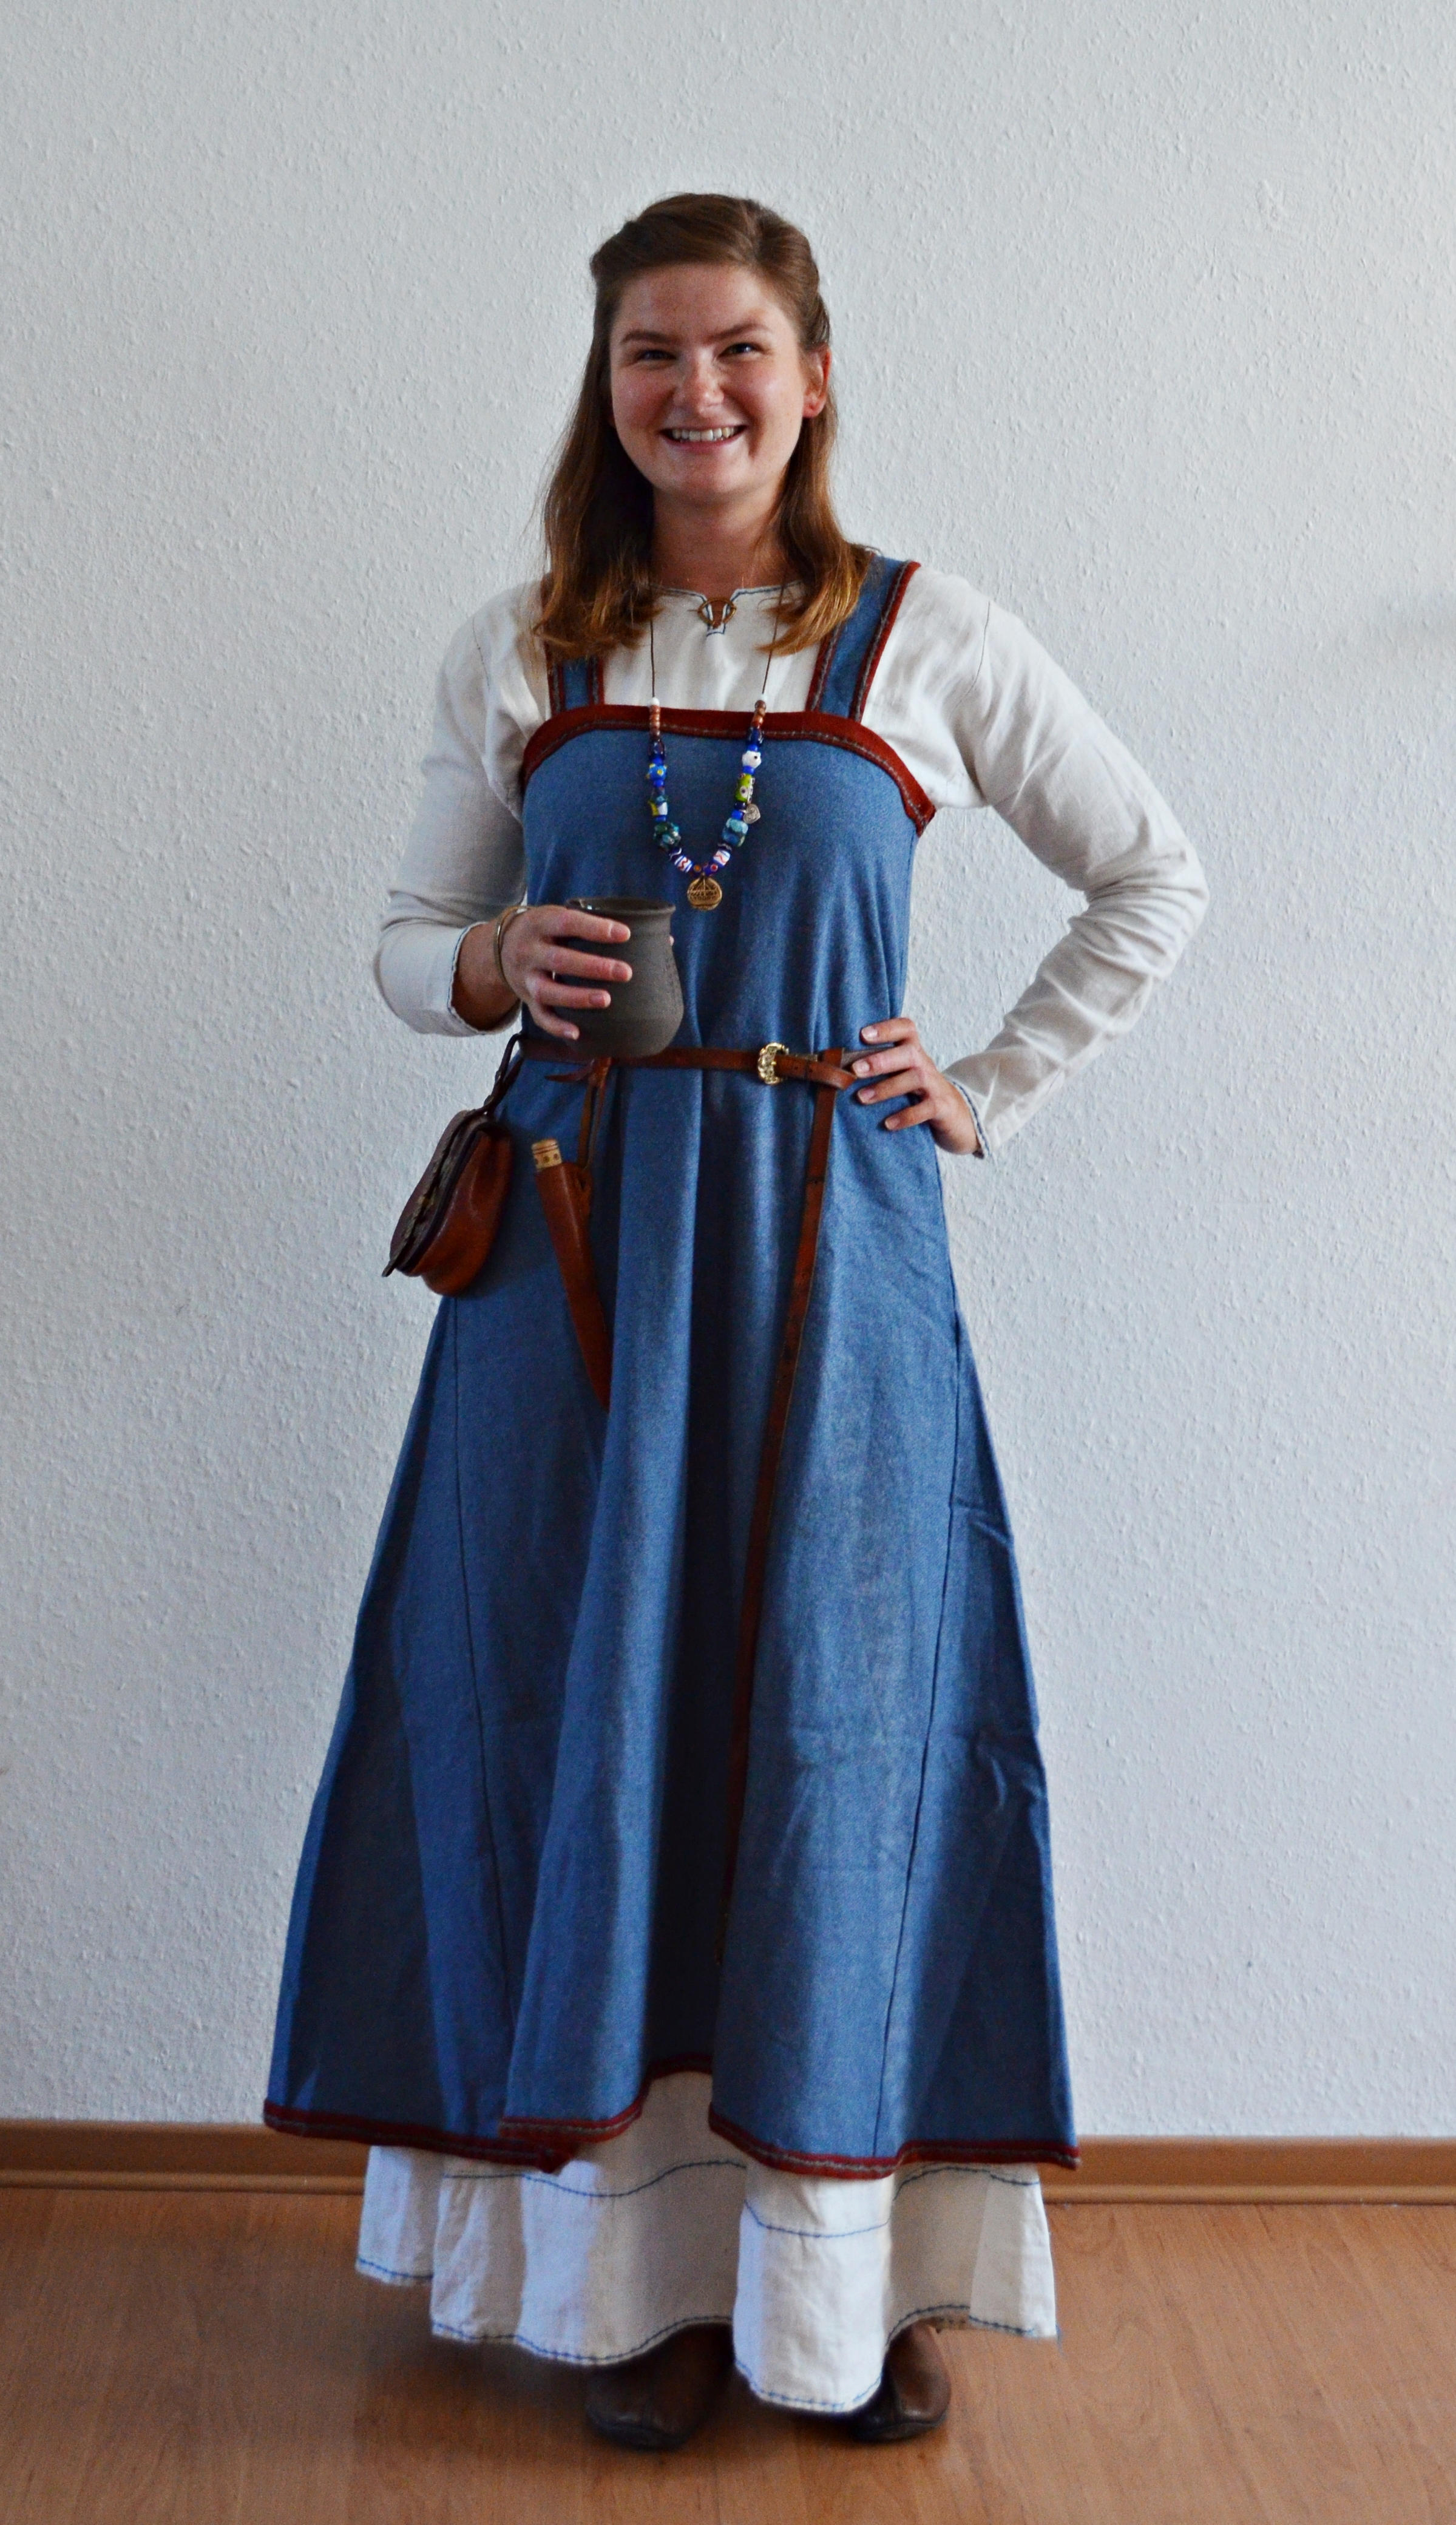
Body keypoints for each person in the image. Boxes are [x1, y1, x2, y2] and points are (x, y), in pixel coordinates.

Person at [265, 193, 1207, 2449]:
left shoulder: (928, 637)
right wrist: (492, 964)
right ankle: (630, 2289)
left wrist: (986, 1084)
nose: (697, 393)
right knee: (581, 1718)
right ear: (608, 389)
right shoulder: (524, 647)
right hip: (569, 1266)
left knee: (838, 1733)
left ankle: (834, 2284)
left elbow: (1153, 871)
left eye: (738, 350)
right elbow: (403, 941)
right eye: (652, 356)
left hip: (829, 1254)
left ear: (812, 375)